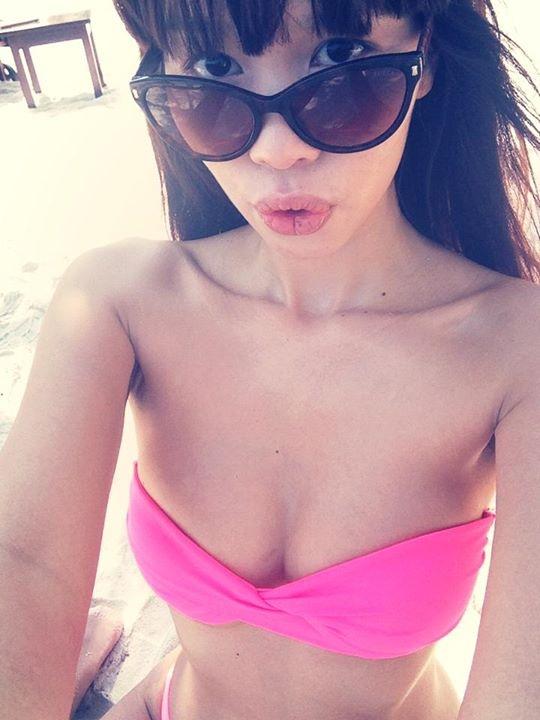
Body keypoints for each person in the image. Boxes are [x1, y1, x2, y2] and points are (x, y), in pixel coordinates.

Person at [1, 1, 539, 719]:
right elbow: (25, 566)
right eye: (214, 70)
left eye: (340, 61)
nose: (276, 151)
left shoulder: (517, 348)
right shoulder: (117, 302)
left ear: (428, 57)